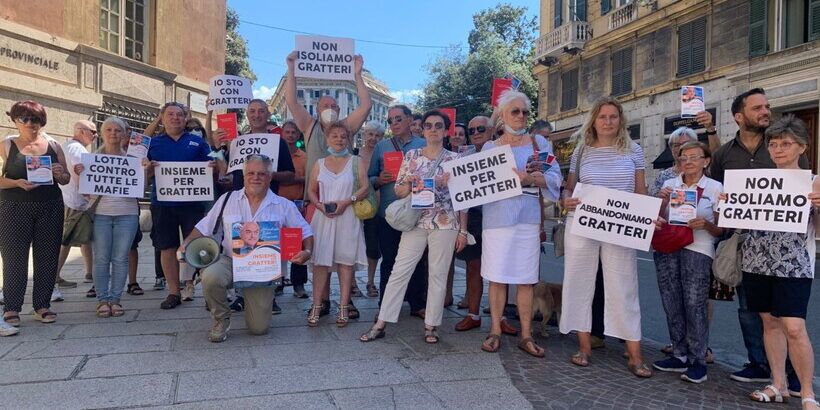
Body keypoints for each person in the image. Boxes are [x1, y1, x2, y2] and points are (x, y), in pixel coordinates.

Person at [711, 88, 808, 390]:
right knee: (751, 310)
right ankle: (760, 364)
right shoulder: (724, 153)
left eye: (767, 106)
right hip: (745, 244)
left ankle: (793, 377)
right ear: (739, 116)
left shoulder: (780, 147)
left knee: (790, 320)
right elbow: (716, 191)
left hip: (787, 251)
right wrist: (723, 203)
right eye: (757, 108)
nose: (765, 112)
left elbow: (801, 194)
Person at [560, 96, 653, 377]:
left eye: (613, 116)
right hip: (582, 223)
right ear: (594, 121)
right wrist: (566, 200)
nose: (608, 121)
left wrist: (647, 217)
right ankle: (584, 347)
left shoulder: (634, 150)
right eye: (603, 117)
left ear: (621, 120)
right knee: (579, 282)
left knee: (623, 286)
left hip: (619, 224)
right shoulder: (582, 151)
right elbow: (569, 189)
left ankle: (635, 354)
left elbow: (641, 192)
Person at [180, 155, 313, 342]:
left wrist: (307, 251)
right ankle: (221, 318)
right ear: (244, 176)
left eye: (262, 174)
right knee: (210, 275)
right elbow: (203, 227)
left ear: (270, 176)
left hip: (262, 270)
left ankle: (252, 306)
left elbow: (306, 231)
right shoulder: (227, 199)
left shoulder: (284, 205)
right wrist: (185, 243)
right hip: (230, 261)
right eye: (251, 173)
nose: (256, 177)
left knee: (258, 329)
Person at [360, 110, 467, 344]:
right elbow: (398, 190)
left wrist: (463, 230)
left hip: (445, 222)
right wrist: (409, 183)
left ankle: (431, 326)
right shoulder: (412, 156)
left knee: (437, 274)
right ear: (423, 129)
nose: (433, 129)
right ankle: (382, 322)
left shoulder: (455, 160)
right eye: (429, 125)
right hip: (416, 221)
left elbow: (463, 200)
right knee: (400, 271)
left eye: (439, 126)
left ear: (445, 130)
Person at [735, 116, 818, 409]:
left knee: (794, 327)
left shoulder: (813, 182)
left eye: (786, 143)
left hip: (794, 264)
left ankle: (807, 391)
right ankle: (778, 383)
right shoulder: (755, 182)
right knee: (768, 322)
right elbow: (737, 217)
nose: (778, 149)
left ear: (802, 147)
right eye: (773, 144)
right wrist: (728, 202)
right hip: (757, 260)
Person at [476, 91, 561, 357]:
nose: (521, 116)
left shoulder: (539, 144)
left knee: (526, 280)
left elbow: (555, 176)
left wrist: (532, 179)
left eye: (525, 111)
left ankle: (526, 334)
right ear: (502, 115)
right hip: (497, 220)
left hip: (527, 219)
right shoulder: (489, 148)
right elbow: (476, 185)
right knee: (497, 278)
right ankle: (495, 331)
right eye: (515, 111)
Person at [651, 141, 723, 383]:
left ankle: (698, 360)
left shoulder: (715, 188)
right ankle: (679, 353)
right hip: (668, 248)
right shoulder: (669, 184)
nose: (689, 162)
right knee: (671, 301)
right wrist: (659, 203)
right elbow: (654, 218)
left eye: (694, 157)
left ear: (706, 161)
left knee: (694, 304)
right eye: (684, 158)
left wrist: (706, 224)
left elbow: (721, 229)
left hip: (698, 248)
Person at [0, 101, 71, 328]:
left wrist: (61, 173)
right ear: (15, 120)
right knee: (14, 258)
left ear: (42, 122)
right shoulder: (6, 145)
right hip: (14, 207)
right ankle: (12, 307)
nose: (31, 124)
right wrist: (15, 182)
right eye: (25, 119)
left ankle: (42, 304)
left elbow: (66, 178)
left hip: (49, 205)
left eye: (36, 120)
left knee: (48, 256)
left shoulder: (53, 145)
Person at [146, 102, 214, 309]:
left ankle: (210, 294)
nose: (175, 118)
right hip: (162, 203)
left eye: (179, 115)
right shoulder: (153, 143)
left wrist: (214, 165)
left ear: (186, 118)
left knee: (198, 246)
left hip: (192, 204)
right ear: (162, 118)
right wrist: (148, 169)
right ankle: (174, 292)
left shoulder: (197, 142)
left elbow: (214, 163)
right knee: (167, 247)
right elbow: (141, 173)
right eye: (170, 114)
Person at [75, 116, 141, 318]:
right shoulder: (91, 159)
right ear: (102, 133)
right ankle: (103, 300)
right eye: (109, 130)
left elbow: (140, 191)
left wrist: (145, 171)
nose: (113, 134)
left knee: (120, 258)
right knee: (101, 258)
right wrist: (80, 175)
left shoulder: (133, 160)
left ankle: (115, 299)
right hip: (101, 215)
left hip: (127, 214)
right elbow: (85, 193)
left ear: (124, 135)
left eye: (118, 130)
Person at [284, 51, 371, 199]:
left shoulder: (347, 127)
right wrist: (292, 70)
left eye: (333, 105)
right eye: (325, 106)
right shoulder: (310, 126)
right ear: (317, 110)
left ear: (339, 110)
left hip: (346, 199)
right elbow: (291, 101)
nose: (330, 108)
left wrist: (357, 75)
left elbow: (366, 105)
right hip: (315, 198)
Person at [306, 122, 369, 327]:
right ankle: (316, 304)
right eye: (335, 136)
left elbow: (365, 188)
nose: (339, 139)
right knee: (320, 263)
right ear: (327, 138)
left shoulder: (355, 161)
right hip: (324, 218)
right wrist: (319, 205)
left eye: (343, 136)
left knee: (345, 262)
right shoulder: (319, 163)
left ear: (348, 140)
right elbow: (311, 191)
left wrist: (347, 201)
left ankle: (343, 306)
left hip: (348, 216)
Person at [367, 105, 427, 318]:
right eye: (390, 120)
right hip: (389, 215)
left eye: (398, 119)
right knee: (390, 261)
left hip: (417, 213)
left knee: (418, 260)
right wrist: (378, 179)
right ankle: (386, 306)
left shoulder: (424, 144)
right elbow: (369, 177)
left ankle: (417, 304)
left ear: (410, 120)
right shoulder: (382, 147)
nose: (394, 123)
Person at [454, 115, 494, 331]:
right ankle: (473, 313)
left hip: (498, 216)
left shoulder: (502, 151)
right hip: (474, 217)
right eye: (472, 130)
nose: (476, 132)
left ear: (491, 130)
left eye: (481, 128)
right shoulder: (464, 156)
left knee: (499, 268)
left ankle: (501, 318)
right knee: (473, 267)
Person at [55, 120, 98, 296]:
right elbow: (82, 174)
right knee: (66, 239)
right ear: (81, 131)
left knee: (85, 237)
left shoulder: (67, 146)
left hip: (70, 198)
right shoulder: (77, 149)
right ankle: (55, 275)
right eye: (92, 131)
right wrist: (89, 196)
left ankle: (90, 272)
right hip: (75, 201)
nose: (95, 135)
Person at [278, 120, 309, 298]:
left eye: (293, 133)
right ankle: (278, 281)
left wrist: (293, 181)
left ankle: (299, 284)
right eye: (287, 132)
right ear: (282, 133)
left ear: (298, 135)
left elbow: (308, 180)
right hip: (277, 204)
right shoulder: (275, 154)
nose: (290, 136)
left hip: (296, 204)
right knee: (276, 244)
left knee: (299, 243)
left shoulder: (304, 157)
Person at [359, 120, 385, 298]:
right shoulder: (354, 154)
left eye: (377, 135)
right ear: (364, 135)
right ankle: (352, 283)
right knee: (351, 244)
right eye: (370, 134)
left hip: (375, 207)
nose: (373, 138)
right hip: (353, 206)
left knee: (373, 247)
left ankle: (370, 281)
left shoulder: (384, 155)